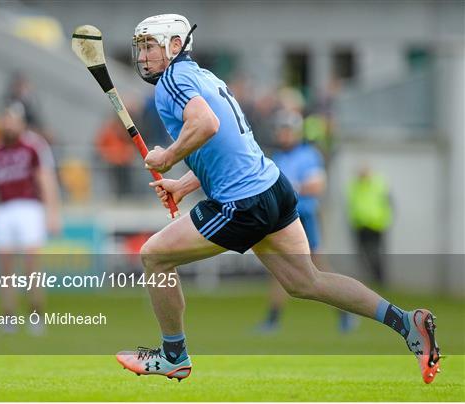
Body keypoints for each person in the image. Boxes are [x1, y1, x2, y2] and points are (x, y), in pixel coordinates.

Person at [116, 14, 440, 384]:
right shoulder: (205, 76)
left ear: (176, 46)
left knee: (154, 256)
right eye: (141, 48)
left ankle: (174, 355)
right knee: (306, 281)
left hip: (241, 203)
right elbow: (227, 144)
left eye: (151, 47)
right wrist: (184, 184)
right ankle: (407, 322)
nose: (144, 56)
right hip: (273, 187)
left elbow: (206, 125)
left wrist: (166, 158)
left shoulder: (172, 81)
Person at [257, 110, 356, 333]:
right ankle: (272, 319)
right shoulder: (279, 158)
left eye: (287, 130)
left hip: (304, 217)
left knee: (319, 268)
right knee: (279, 268)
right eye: (280, 130)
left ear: (296, 132)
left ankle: (346, 312)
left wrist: (289, 189)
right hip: (283, 219)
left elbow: (317, 186)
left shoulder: (309, 155)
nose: (283, 135)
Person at [0, 103, 61, 334]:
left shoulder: (32, 147)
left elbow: (45, 179)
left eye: (12, 120)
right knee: (5, 267)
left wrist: (53, 213)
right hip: (3, 209)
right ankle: (8, 315)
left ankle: (36, 313)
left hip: (29, 207)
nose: (8, 124)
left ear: (21, 123)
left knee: (31, 264)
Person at [347, 165, 393, 286]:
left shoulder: (379, 184)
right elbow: (352, 204)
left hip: (376, 225)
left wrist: (385, 220)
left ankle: (380, 280)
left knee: (376, 254)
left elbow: (389, 203)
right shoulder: (354, 186)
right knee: (363, 254)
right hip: (360, 225)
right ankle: (372, 278)